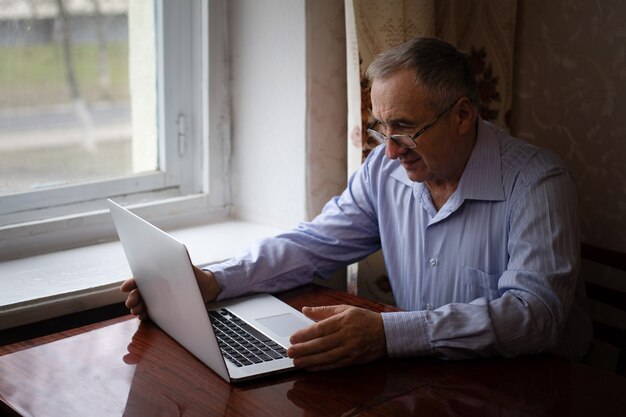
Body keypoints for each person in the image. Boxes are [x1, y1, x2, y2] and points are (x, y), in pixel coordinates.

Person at [121, 37, 592, 370]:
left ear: (464, 114)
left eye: (404, 128)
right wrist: (214, 281)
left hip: (532, 386)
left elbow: (535, 318)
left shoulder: (538, 184)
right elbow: (313, 245)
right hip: (425, 381)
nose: (389, 150)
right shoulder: (386, 172)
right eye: (380, 129)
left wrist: (388, 335)